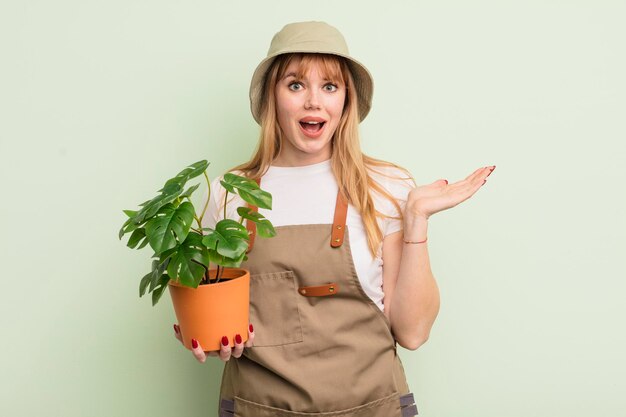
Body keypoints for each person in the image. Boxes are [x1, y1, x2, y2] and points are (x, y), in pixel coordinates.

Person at [172, 21, 495, 416]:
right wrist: (209, 337)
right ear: (272, 97)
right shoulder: (229, 191)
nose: (313, 102)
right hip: (259, 408)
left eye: (329, 86)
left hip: (374, 407)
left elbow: (412, 333)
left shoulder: (387, 185)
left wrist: (416, 218)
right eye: (295, 85)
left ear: (346, 100)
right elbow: (217, 319)